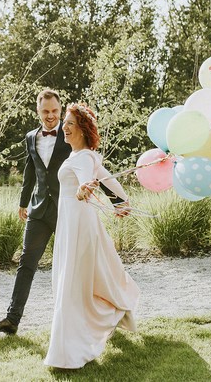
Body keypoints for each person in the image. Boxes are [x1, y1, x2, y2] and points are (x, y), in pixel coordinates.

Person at [44, 102, 140, 369]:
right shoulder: (80, 156)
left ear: (83, 130)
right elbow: (109, 181)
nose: (64, 126)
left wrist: (85, 189)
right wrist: (121, 201)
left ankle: (67, 353)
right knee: (80, 280)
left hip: (78, 225)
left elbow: (89, 180)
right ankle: (110, 313)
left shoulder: (84, 157)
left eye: (70, 123)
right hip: (73, 223)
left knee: (72, 284)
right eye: (65, 122)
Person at [0, 89, 72, 335]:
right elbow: (30, 172)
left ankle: (94, 316)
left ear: (60, 110)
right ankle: (12, 320)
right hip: (38, 209)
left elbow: (90, 163)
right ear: (38, 111)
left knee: (74, 264)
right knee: (26, 264)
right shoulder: (31, 137)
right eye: (46, 111)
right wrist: (23, 202)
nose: (51, 116)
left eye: (55, 111)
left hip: (65, 210)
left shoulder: (71, 135)